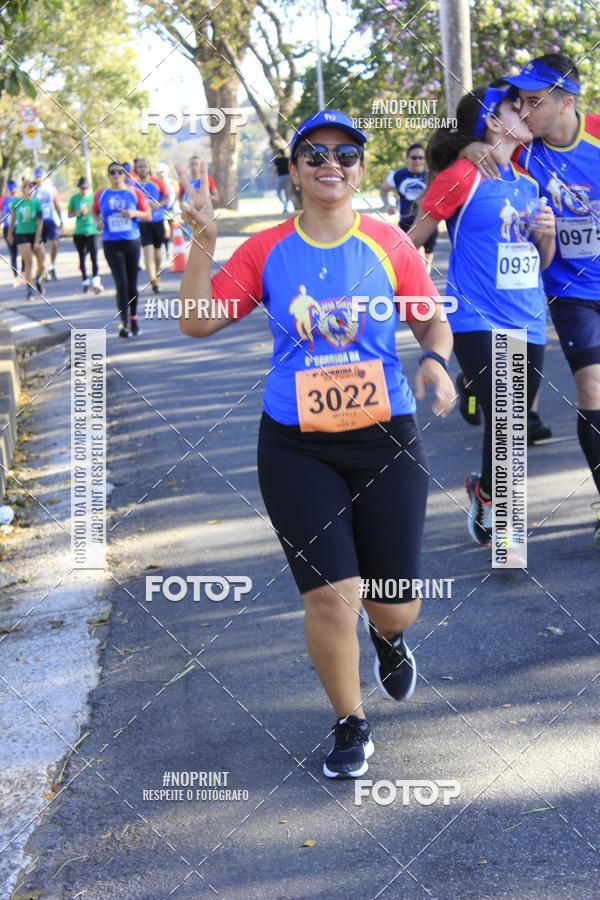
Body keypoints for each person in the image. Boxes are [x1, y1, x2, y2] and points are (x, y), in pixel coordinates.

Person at [177, 110, 455, 779]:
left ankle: (388, 640)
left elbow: (431, 324)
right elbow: (195, 321)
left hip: (386, 438)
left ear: (360, 167)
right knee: (331, 595)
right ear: (296, 170)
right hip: (296, 446)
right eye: (314, 154)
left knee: (393, 604)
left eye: (346, 154)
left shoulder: (389, 244)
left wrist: (437, 363)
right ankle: (350, 722)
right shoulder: (268, 248)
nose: (331, 164)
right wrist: (203, 243)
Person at [461, 54, 600, 545]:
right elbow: (462, 148)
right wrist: (476, 142)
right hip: (569, 294)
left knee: (513, 411)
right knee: (585, 393)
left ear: (567, 103)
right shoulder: (522, 154)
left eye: (533, 102)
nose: (524, 110)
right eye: (518, 102)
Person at [410, 81, 556, 546]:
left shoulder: (529, 181)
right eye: (518, 105)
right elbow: (412, 239)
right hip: (476, 319)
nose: (528, 111)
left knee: (511, 422)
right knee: (508, 416)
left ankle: (486, 491)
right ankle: (509, 534)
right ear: (493, 121)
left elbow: (541, 261)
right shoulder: (463, 174)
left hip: (529, 319)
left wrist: (548, 234)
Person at [93, 162, 151, 337]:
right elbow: (95, 212)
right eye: (113, 172)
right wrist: (99, 222)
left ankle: (134, 318)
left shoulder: (134, 193)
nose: (116, 175)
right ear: (108, 175)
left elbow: (147, 215)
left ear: (125, 175)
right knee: (121, 284)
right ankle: (124, 323)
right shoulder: (101, 194)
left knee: (132, 284)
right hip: (111, 243)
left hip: (131, 241)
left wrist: (134, 214)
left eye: (120, 172)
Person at [379, 143, 439, 273]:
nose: (417, 161)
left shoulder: (432, 176)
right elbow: (383, 189)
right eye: (414, 157)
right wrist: (388, 205)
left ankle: (425, 280)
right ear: (407, 158)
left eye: (420, 158)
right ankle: (410, 281)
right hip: (406, 221)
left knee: (427, 258)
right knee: (407, 254)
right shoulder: (398, 175)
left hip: (428, 221)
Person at [132, 159, 170, 292]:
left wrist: (159, 204)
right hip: (142, 222)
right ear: (136, 169)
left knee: (158, 253)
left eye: (144, 166)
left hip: (158, 220)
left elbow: (167, 197)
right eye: (140, 167)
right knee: (147, 251)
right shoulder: (133, 185)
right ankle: (153, 280)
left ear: (149, 168)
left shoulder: (157, 182)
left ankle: (156, 273)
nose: (142, 169)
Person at [7, 177, 45, 299]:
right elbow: (12, 220)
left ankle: (37, 279)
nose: (32, 189)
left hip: (35, 234)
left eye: (34, 187)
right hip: (22, 234)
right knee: (28, 262)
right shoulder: (16, 203)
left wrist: (36, 241)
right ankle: (30, 290)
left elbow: (40, 223)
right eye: (29, 186)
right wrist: (9, 235)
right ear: (23, 189)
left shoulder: (37, 204)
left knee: (42, 264)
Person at [68, 176, 102, 295]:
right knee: (82, 257)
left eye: (86, 188)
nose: (84, 190)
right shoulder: (74, 198)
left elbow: (100, 212)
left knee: (94, 256)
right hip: (79, 232)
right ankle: (85, 281)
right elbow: (69, 214)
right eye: (82, 188)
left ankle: (96, 281)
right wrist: (78, 213)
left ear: (89, 187)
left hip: (93, 231)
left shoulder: (94, 198)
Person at [33, 168, 63, 281]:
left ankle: (52, 266)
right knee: (41, 248)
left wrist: (61, 219)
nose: (39, 179)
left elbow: (56, 204)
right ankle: (44, 270)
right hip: (38, 223)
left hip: (50, 220)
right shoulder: (32, 190)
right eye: (37, 177)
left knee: (55, 244)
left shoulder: (51, 189)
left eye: (41, 176)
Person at [155, 161, 178, 257]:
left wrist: (177, 207)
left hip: (171, 209)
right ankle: (167, 249)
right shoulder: (155, 183)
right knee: (165, 229)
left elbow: (176, 196)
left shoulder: (173, 182)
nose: (162, 174)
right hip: (160, 209)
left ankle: (170, 248)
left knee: (173, 229)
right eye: (159, 172)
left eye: (163, 172)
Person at [2, 180, 21, 286]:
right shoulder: (3, 200)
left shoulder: (19, 200)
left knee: (23, 252)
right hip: (7, 228)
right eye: (11, 188)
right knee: (13, 253)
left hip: (19, 228)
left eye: (14, 188)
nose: (12, 190)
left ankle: (23, 273)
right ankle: (16, 277)